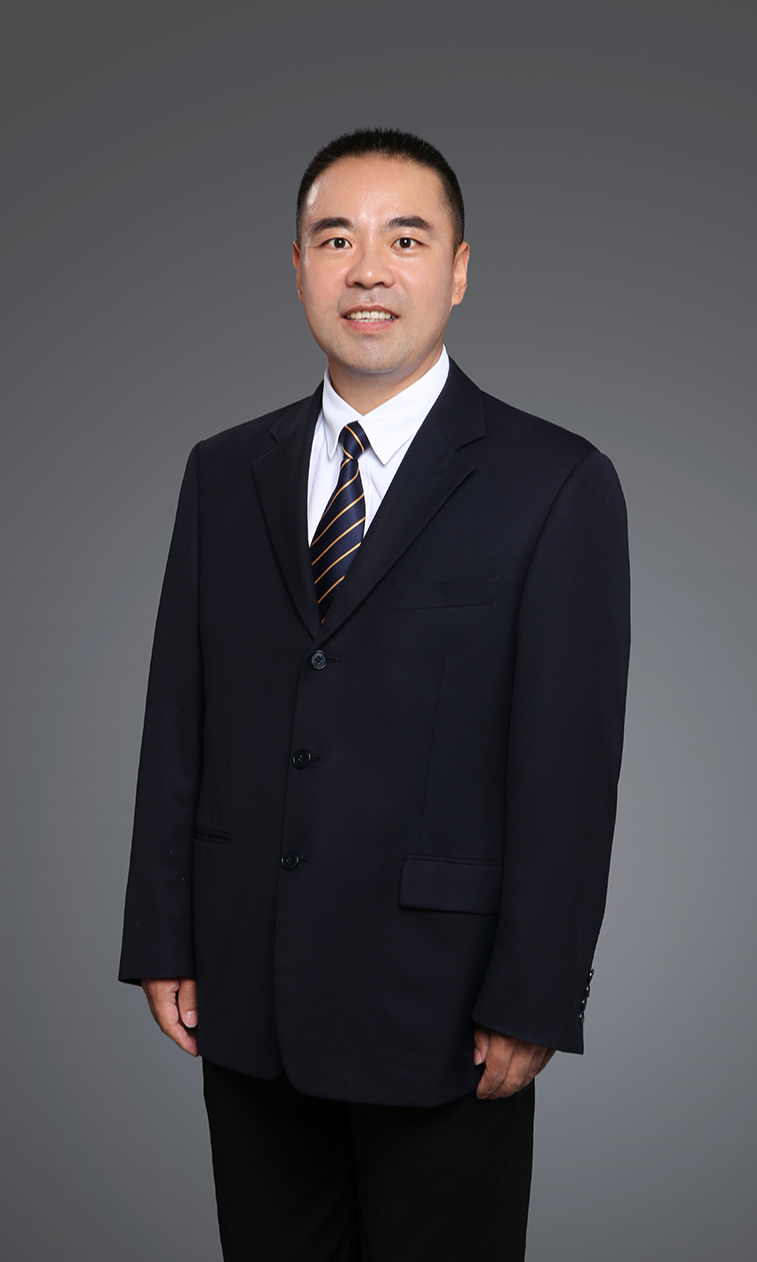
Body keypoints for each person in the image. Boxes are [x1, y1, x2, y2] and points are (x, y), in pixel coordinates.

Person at [119, 128, 630, 1261]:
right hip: (245, 986)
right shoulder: (223, 471)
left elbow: (567, 769)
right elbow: (179, 715)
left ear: (457, 269)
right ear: (297, 266)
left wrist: (534, 993)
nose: (367, 270)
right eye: (334, 239)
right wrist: (163, 930)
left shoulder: (555, 483)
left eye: (405, 239)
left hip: (441, 1006)